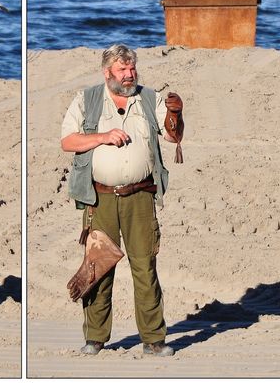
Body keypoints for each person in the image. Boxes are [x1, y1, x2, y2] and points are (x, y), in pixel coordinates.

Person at [61, 43, 184, 357]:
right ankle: (95, 338)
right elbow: (68, 141)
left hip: (140, 196)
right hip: (99, 199)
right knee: (98, 269)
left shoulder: (149, 98)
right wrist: (103, 137)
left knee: (145, 268)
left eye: (132, 69)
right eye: (122, 70)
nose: (129, 76)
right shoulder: (86, 100)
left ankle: (154, 340)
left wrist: (175, 113)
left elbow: (173, 136)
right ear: (107, 73)